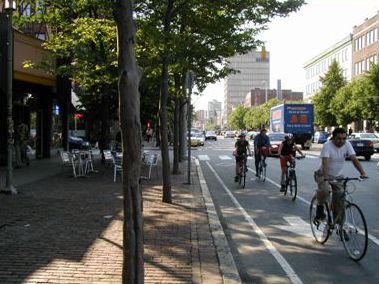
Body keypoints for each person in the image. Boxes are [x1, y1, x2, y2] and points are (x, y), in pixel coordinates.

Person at [314, 128, 368, 228]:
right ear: (333, 138)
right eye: (339, 138)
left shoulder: (347, 144)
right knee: (325, 190)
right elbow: (325, 163)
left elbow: (354, 159)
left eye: (344, 138)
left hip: (338, 177)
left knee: (340, 200)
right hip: (323, 174)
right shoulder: (327, 145)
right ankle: (320, 207)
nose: (341, 141)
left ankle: (340, 227)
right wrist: (326, 178)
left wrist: (362, 173)